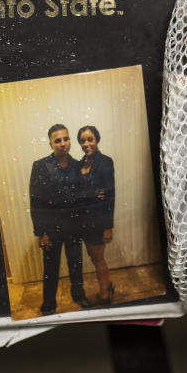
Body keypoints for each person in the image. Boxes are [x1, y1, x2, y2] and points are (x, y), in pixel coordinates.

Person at [30, 124, 94, 315]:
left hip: (74, 226)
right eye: (57, 140)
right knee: (51, 268)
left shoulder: (78, 165)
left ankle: (79, 295)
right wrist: (40, 233)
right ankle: (49, 304)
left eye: (66, 139)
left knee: (76, 264)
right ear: (51, 143)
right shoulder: (40, 166)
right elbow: (36, 201)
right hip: (51, 229)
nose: (63, 143)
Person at [76, 125, 116, 305]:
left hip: (99, 221)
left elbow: (110, 196)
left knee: (98, 258)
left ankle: (105, 294)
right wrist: (91, 194)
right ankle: (107, 284)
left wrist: (109, 226)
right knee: (94, 257)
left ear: (97, 140)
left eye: (90, 139)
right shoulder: (79, 164)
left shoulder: (106, 162)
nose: (86, 143)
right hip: (83, 221)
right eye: (83, 140)